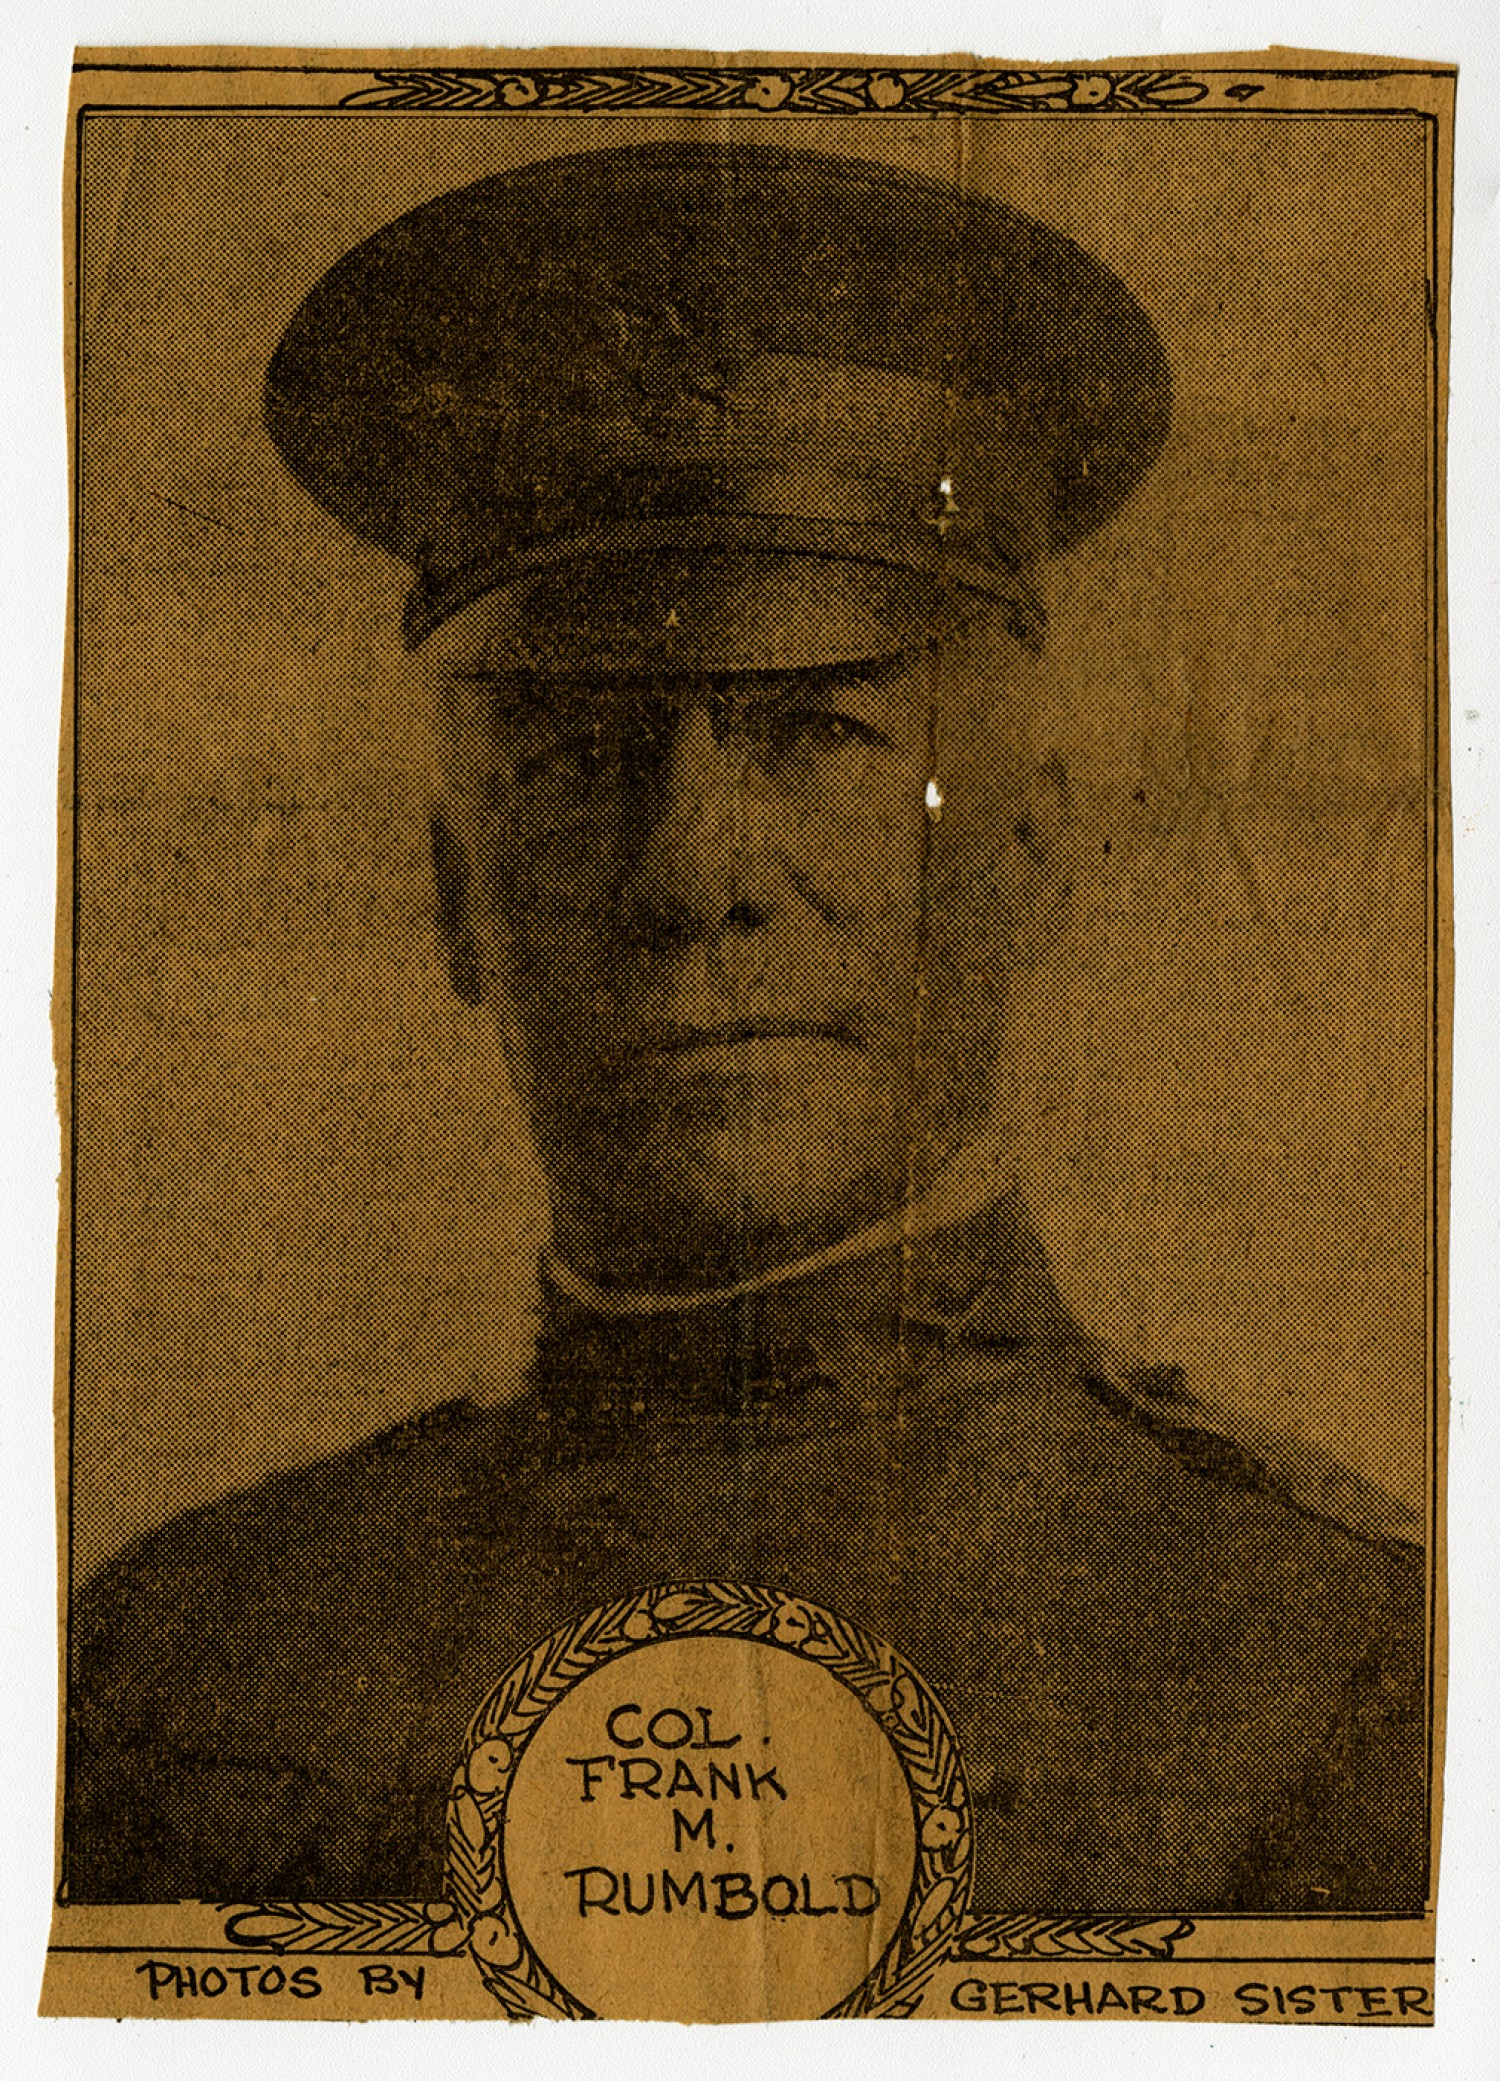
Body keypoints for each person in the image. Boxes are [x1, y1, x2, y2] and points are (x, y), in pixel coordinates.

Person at [66, 141, 1426, 1915]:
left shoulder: (1333, 1664)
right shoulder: (183, 1672)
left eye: (821, 737)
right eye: (581, 757)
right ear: (458, 900)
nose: (696, 873)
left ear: (1028, 856)